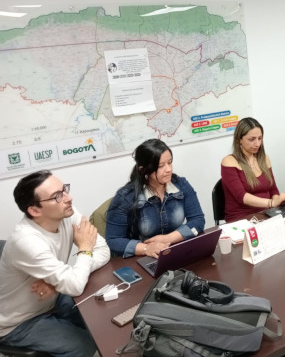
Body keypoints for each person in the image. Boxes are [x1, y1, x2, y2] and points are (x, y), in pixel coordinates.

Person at [0, 170, 110, 356]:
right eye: (57, 196)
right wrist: (84, 250)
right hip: (18, 322)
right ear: (34, 210)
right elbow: (75, 285)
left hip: (51, 300)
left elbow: (103, 250)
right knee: (84, 346)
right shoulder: (26, 241)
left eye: (64, 190)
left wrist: (60, 283)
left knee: (100, 323)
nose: (68, 198)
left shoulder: (68, 213)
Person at [105, 139, 205, 258]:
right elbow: (113, 240)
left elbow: (198, 220)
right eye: (161, 166)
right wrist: (146, 248)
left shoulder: (181, 185)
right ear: (143, 170)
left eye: (170, 162)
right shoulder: (126, 197)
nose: (168, 169)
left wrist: (168, 239)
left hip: (175, 252)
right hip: (142, 258)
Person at [221, 117, 285, 222]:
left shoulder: (264, 158)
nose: (257, 144)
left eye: (260, 138)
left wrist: (278, 201)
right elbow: (241, 196)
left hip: (265, 215)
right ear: (239, 139)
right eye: (251, 139)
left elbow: (273, 189)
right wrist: (271, 203)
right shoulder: (229, 161)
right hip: (241, 219)